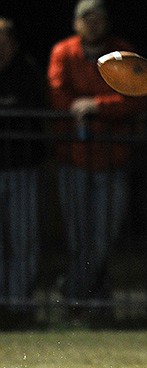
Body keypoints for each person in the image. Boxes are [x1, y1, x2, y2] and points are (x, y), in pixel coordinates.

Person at [47, 0, 147, 314]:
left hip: (113, 159)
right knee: (79, 235)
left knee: (104, 235)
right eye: (86, 19)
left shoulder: (122, 51)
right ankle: (88, 299)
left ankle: (74, 293)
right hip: (74, 158)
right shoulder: (64, 52)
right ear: (76, 22)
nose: (93, 24)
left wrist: (95, 106)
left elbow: (136, 95)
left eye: (98, 19)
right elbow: (58, 95)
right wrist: (84, 107)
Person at [0, 16, 47, 327]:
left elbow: (33, 110)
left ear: (13, 43)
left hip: (22, 168)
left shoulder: (27, 70)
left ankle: (18, 306)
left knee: (23, 239)